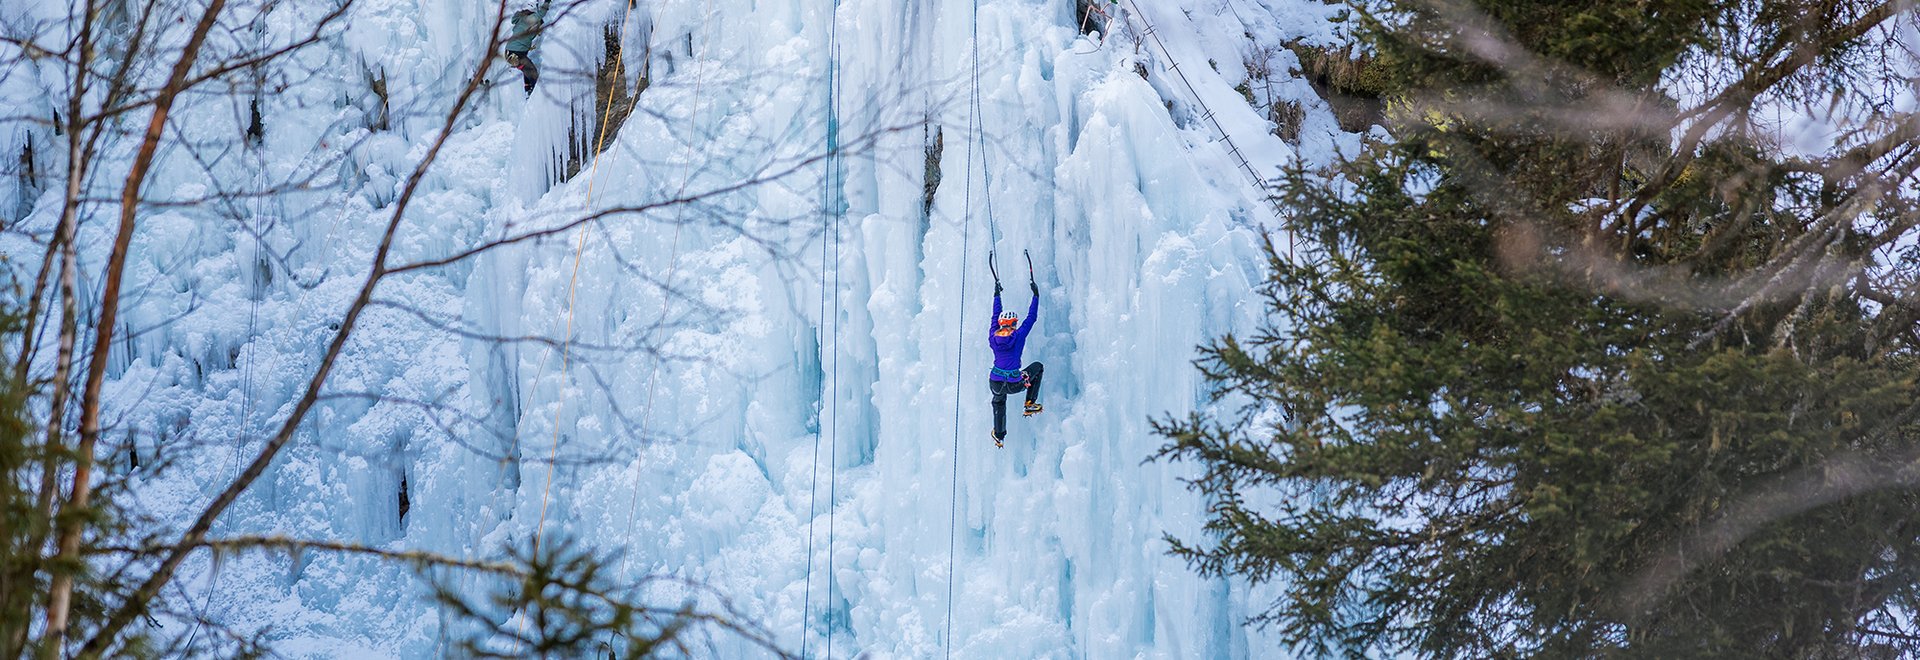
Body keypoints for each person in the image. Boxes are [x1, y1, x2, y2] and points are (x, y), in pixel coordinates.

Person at [988, 277, 1043, 447]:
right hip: (1014, 383)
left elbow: (994, 316)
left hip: (995, 382)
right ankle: (1030, 403)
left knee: (998, 401)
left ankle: (999, 435)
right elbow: (1031, 318)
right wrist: (1036, 296)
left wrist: (996, 295)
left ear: (1001, 324)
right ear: (1014, 323)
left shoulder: (992, 336)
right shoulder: (1018, 336)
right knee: (1038, 367)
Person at [504, 1, 550, 94]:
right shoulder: (529, 19)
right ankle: (534, 94)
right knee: (532, 72)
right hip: (515, 54)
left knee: (528, 69)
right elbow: (541, 13)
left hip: (511, 52)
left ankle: (528, 90)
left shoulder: (521, 19)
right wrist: (547, 2)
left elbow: (514, 19)